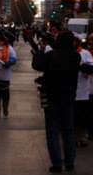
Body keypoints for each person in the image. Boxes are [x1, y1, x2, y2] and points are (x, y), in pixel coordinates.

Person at [32, 30, 80, 174]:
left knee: (52, 131)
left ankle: (57, 164)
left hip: (52, 97)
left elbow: (37, 65)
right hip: (69, 97)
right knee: (68, 131)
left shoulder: (51, 55)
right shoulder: (75, 56)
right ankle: (70, 162)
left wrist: (40, 50)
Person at [73, 37, 93, 146]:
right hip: (69, 91)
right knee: (72, 117)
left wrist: (82, 65)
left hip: (82, 92)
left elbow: (92, 66)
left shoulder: (85, 53)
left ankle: (81, 137)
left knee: (82, 117)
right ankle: (73, 137)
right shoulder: (65, 53)